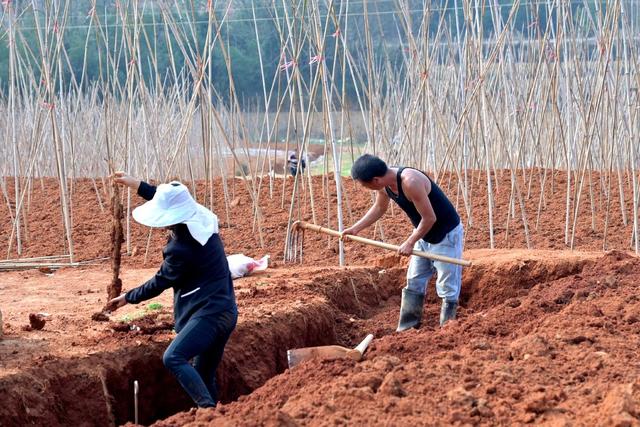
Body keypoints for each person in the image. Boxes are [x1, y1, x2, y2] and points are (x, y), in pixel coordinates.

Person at [108, 172, 237, 408]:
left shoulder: (181, 248)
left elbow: (160, 282)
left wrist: (128, 297)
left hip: (209, 314)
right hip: (226, 308)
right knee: (204, 371)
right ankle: (218, 417)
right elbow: (168, 197)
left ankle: (207, 411)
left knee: (174, 357)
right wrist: (136, 184)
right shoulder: (201, 217)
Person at [342, 154, 463, 330]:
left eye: (364, 184)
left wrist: (410, 242)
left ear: (375, 180)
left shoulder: (410, 182)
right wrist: (355, 228)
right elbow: (379, 208)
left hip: (445, 234)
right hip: (422, 233)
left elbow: (430, 218)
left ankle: (448, 330)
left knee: (447, 286)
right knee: (414, 280)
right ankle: (408, 328)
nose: (364, 188)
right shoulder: (384, 185)